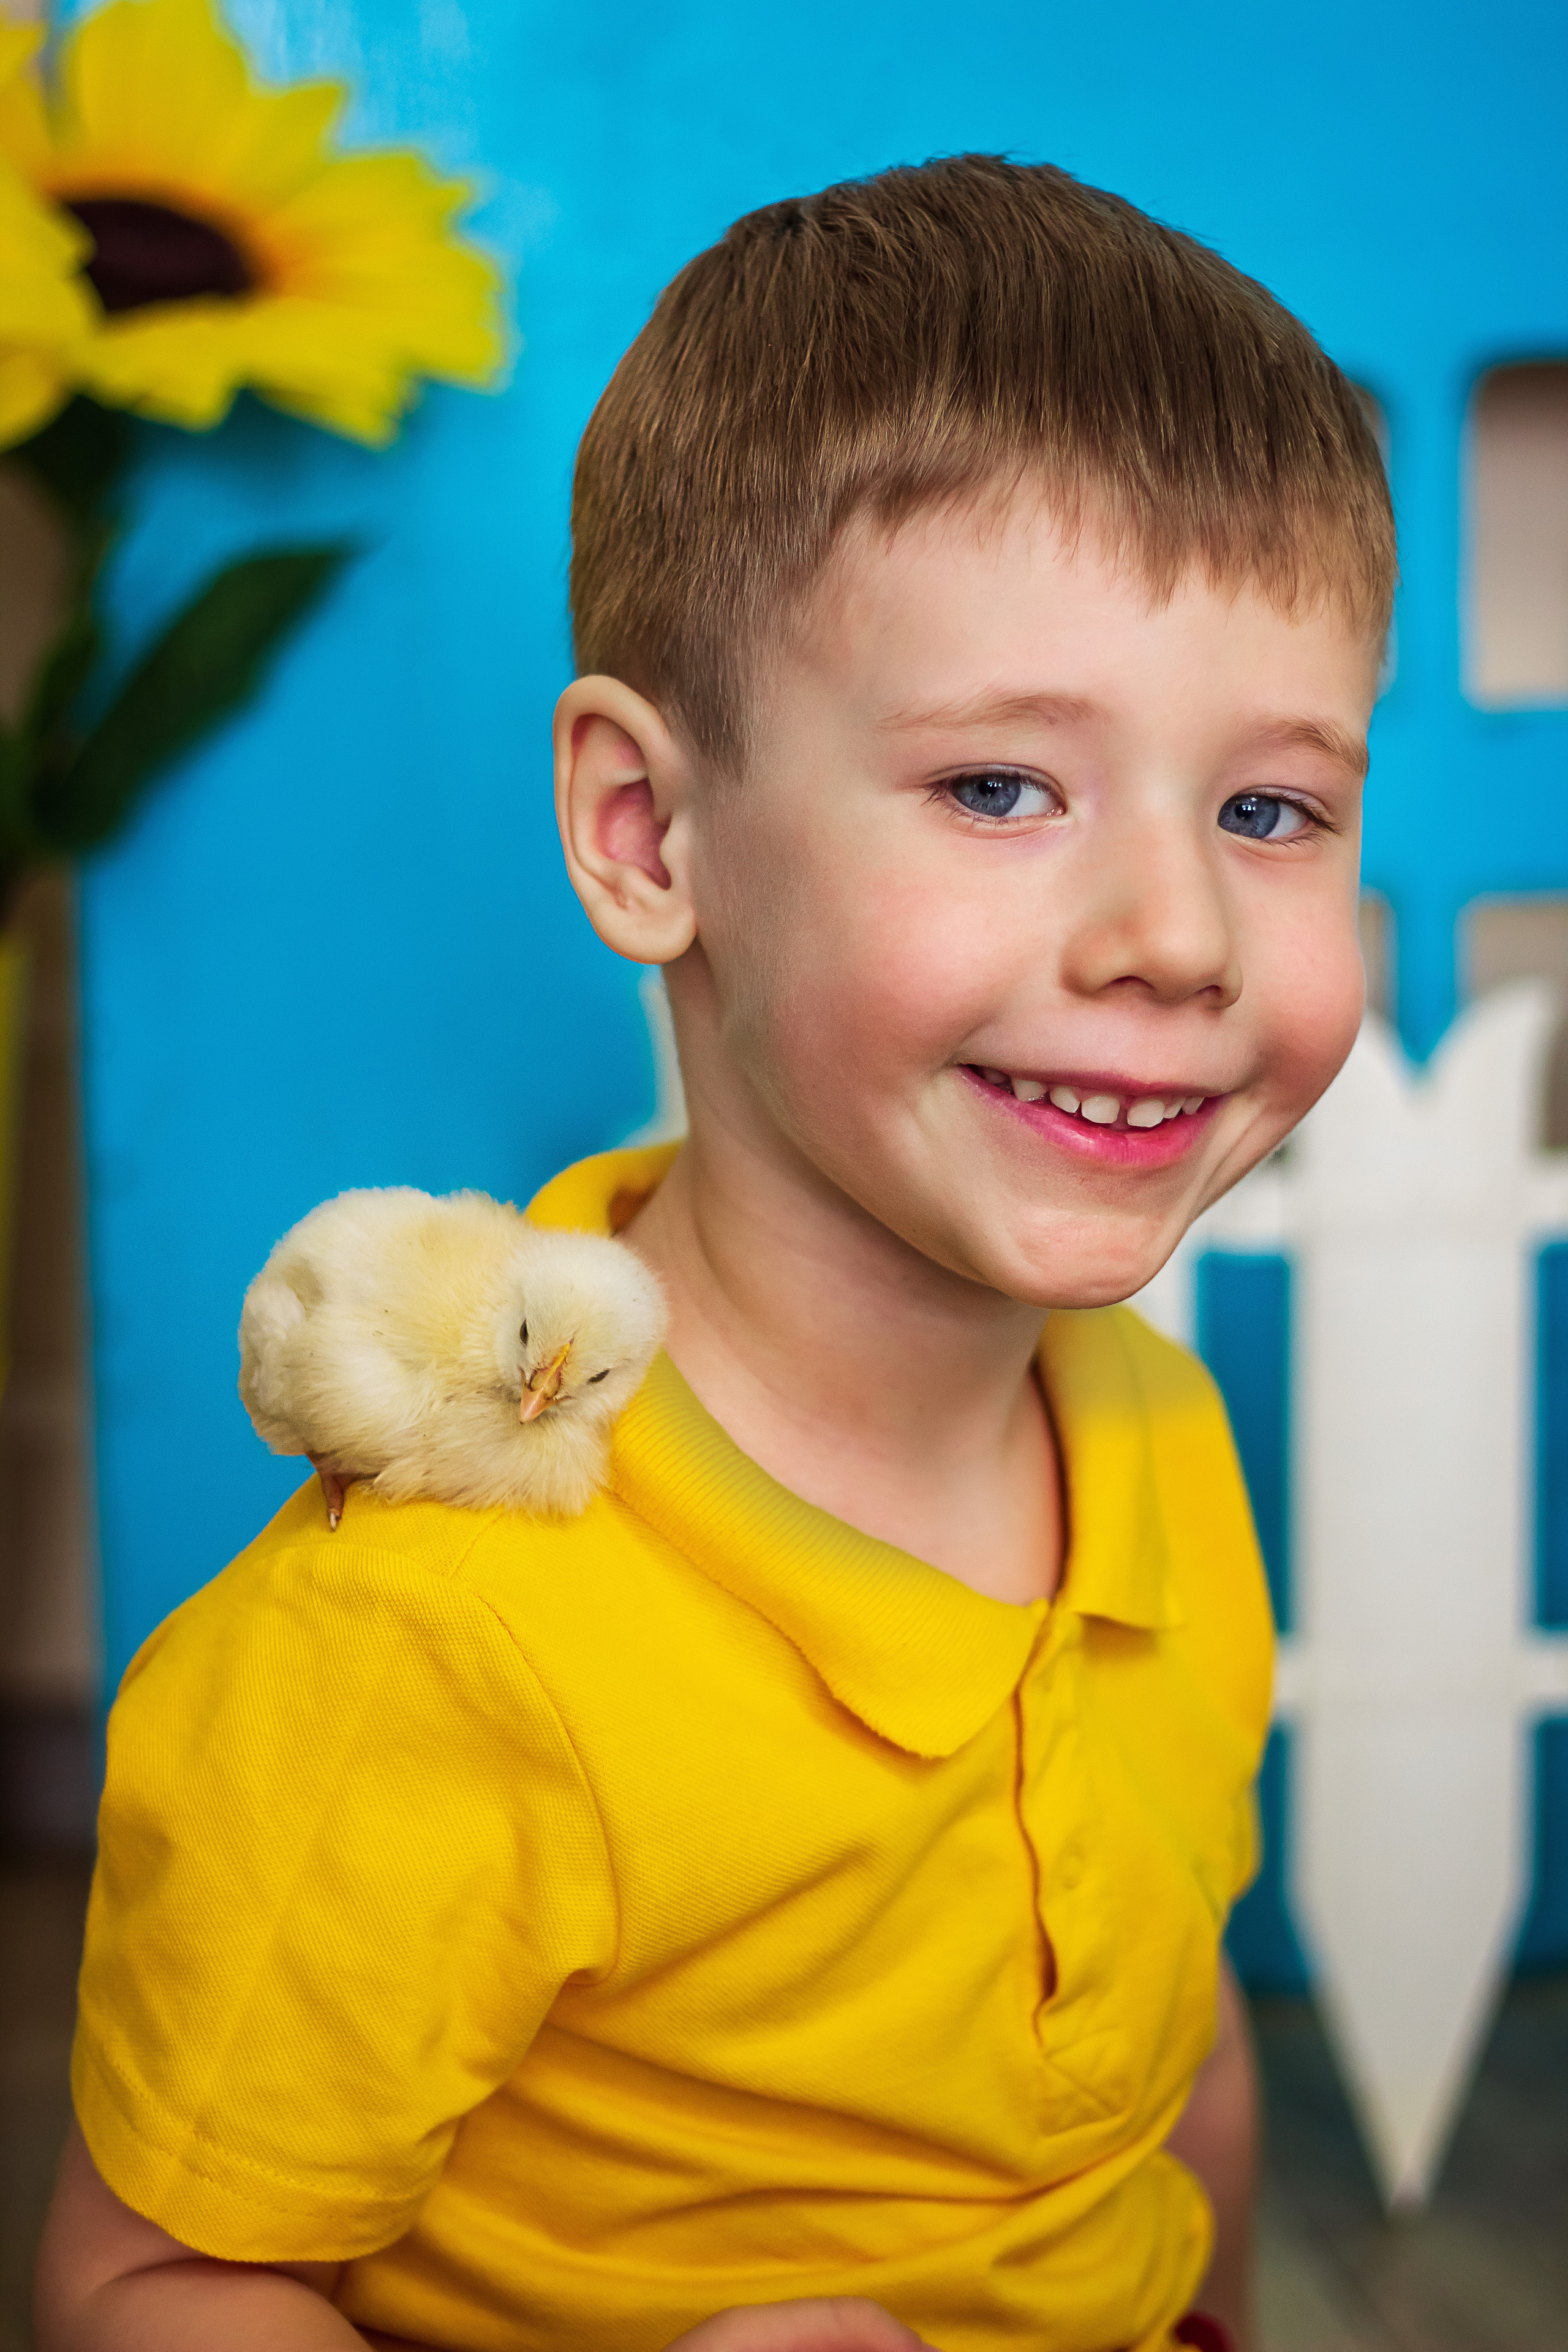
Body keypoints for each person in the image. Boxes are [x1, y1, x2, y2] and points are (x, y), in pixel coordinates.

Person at [34, 156, 1391, 2352]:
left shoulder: (1153, 1439)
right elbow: (143, 2285)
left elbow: (1174, 2069)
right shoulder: (438, 1644)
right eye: (999, 788)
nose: (1179, 939)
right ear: (651, 837)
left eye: (1272, 811)